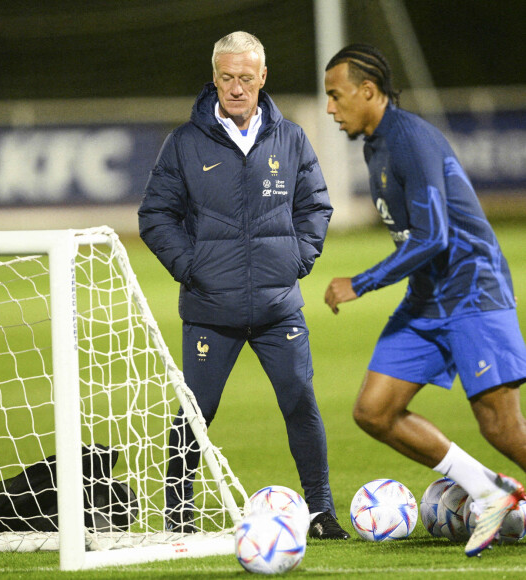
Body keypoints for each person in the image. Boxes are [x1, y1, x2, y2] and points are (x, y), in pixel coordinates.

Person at [138, 31, 349, 540]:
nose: (236, 88)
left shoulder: (291, 138)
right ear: (215, 78)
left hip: (279, 307)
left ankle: (319, 511)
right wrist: (193, 268)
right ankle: (178, 519)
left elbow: (316, 205)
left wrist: (297, 259)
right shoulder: (185, 143)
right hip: (212, 308)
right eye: (227, 78)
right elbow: (155, 215)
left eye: (246, 79)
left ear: (263, 78)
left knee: (300, 400)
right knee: (195, 414)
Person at [323, 43, 526, 556]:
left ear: (368, 92)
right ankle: (489, 492)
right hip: (429, 299)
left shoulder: (411, 140)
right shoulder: (375, 143)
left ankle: (497, 493)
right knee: (375, 411)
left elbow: (433, 236)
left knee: (500, 426)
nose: (330, 107)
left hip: (473, 291)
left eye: (335, 95)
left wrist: (360, 282)